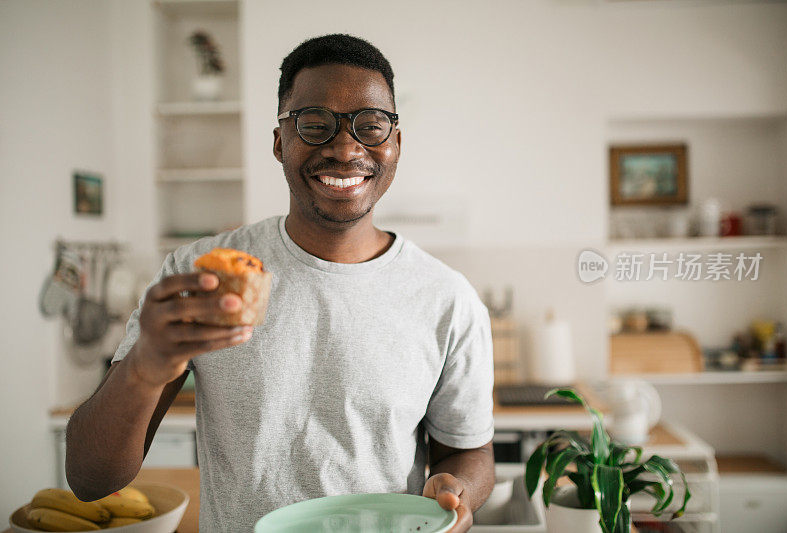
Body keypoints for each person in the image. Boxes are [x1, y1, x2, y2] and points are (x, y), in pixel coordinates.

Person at [65, 34, 495, 532]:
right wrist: (144, 367)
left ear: (395, 144)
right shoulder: (201, 275)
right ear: (279, 142)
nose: (344, 147)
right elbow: (88, 479)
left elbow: (467, 452)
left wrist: (459, 491)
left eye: (371, 126)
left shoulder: (447, 298)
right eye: (314, 124)